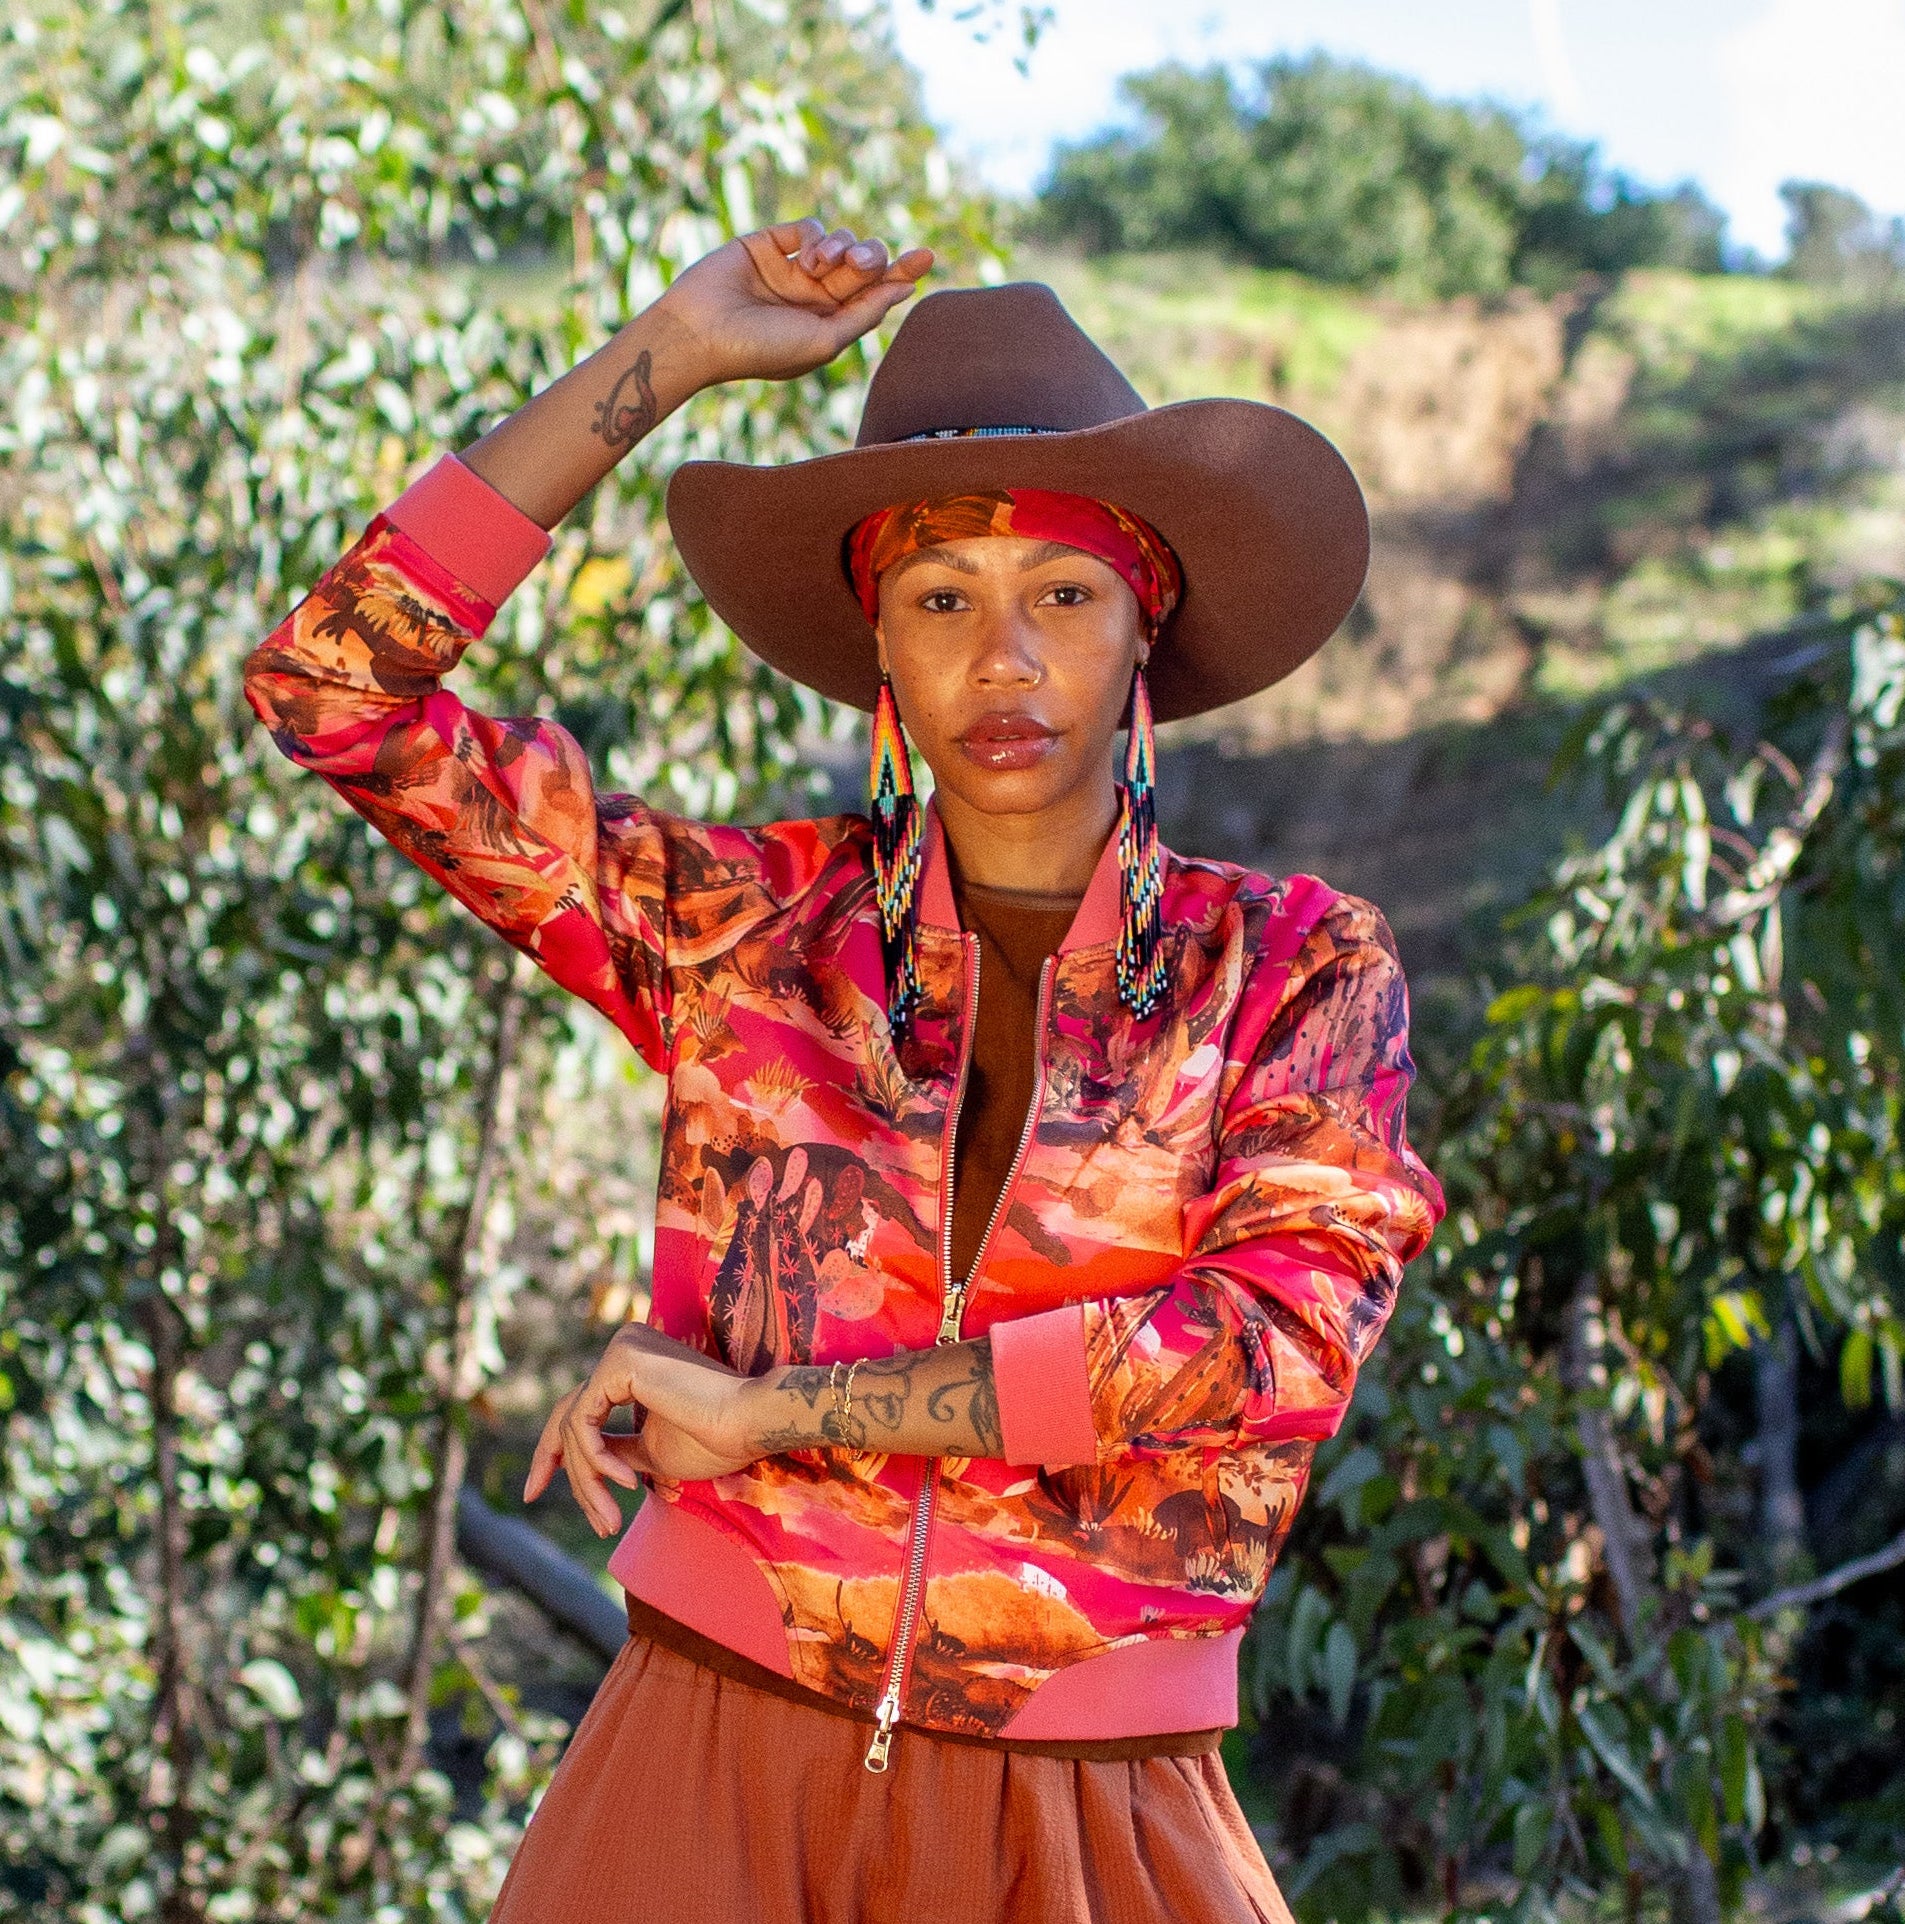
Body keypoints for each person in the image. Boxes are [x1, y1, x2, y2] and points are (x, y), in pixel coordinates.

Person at [244, 217, 1444, 1924]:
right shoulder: (745, 928)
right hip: (699, 1770)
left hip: (1088, 1808)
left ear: (1143, 627)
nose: (1004, 659)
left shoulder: (1299, 969)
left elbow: (1257, 1352)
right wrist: (672, 347)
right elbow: (330, 692)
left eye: (1063, 595)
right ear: (876, 641)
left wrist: (771, 1415)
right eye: (939, 598)